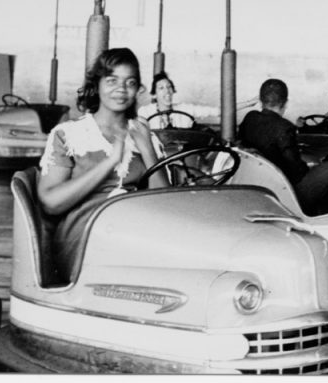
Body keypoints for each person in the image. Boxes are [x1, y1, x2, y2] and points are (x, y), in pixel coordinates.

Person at [38, 47, 169, 278]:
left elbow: (165, 202)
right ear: (96, 85)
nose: (121, 89)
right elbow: (51, 202)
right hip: (82, 241)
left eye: (130, 83)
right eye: (112, 81)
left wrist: (147, 149)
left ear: (138, 89)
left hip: (136, 237)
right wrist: (110, 162)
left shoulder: (145, 135)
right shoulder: (68, 134)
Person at [238, 78, 328, 216]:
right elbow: (297, 172)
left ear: (261, 100)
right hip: (287, 194)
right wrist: (311, 167)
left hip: (260, 184)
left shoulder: (250, 117)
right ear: (285, 102)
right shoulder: (285, 127)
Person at [138, 70, 257, 130]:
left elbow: (219, 111)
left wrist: (249, 103)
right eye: (161, 88)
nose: (167, 91)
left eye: (169, 87)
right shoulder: (145, 112)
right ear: (154, 95)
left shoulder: (185, 109)